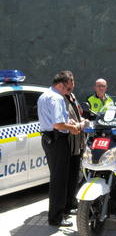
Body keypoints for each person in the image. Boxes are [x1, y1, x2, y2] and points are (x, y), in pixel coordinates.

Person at [37, 71, 80, 227]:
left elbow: (58, 119)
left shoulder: (45, 95)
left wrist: (69, 123)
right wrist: (73, 128)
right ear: (61, 85)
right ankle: (56, 217)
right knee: (59, 180)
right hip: (57, 139)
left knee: (58, 177)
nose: (68, 92)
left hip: (49, 139)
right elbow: (58, 124)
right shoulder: (56, 98)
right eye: (67, 88)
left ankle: (60, 211)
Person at [64, 74, 88, 216]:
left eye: (72, 81)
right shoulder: (60, 98)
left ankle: (72, 201)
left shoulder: (72, 96)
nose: (71, 84)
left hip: (78, 139)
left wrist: (82, 119)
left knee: (75, 173)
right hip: (68, 140)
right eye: (68, 82)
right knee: (68, 175)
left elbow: (79, 112)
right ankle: (66, 205)